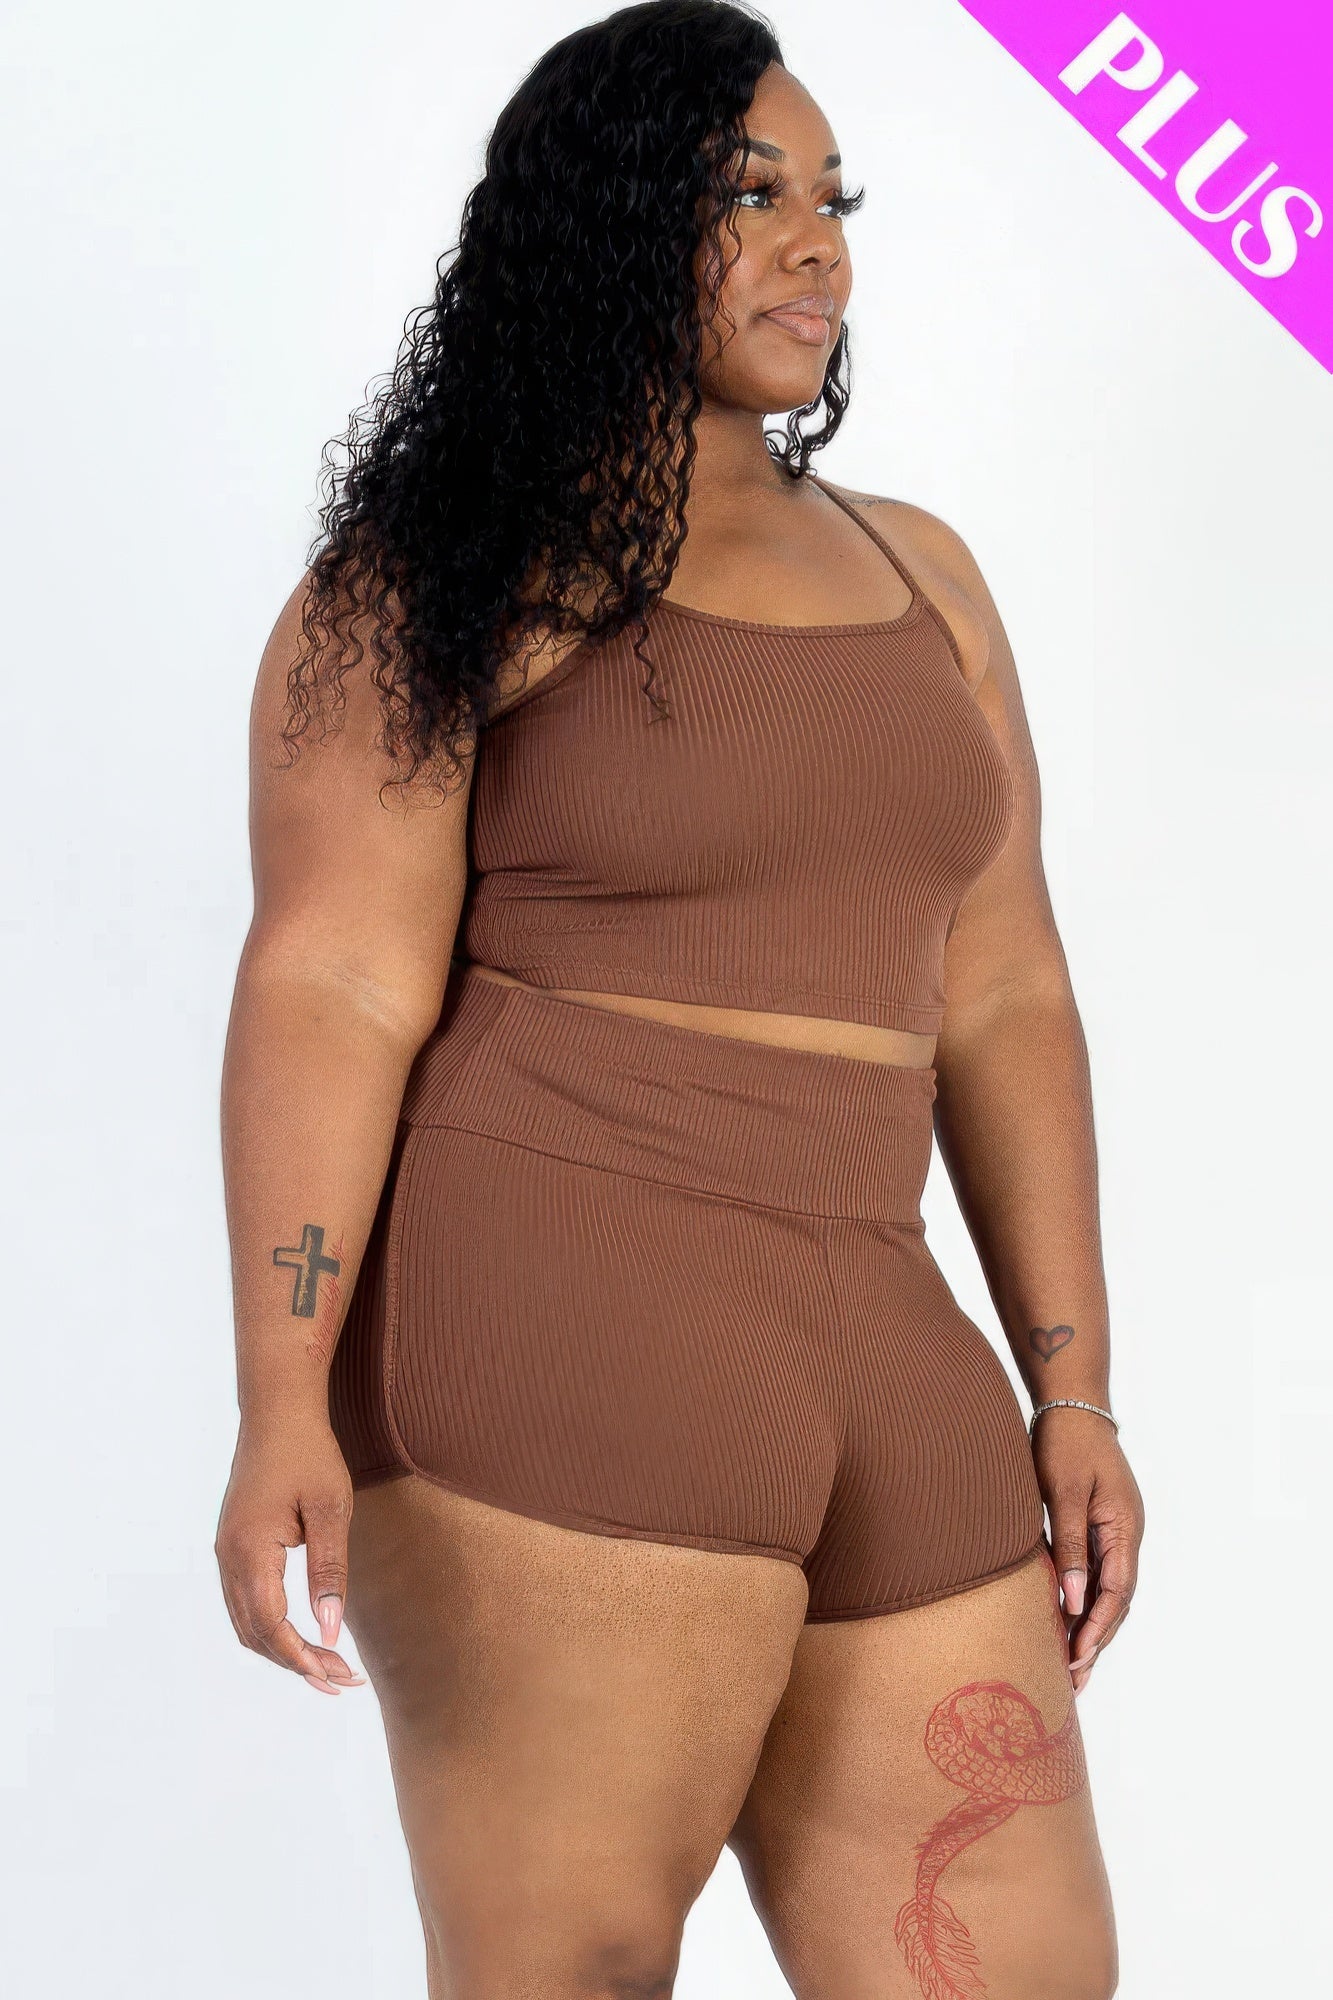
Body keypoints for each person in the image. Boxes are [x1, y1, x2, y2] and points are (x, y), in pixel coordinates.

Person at [215, 4, 1144, 1994]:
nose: (817, 246)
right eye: (749, 196)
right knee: (570, 1970)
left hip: (884, 1320)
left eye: (834, 201)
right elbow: (334, 980)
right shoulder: (445, 573)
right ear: (609, 225)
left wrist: (1070, 1386)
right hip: (565, 1293)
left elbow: (1004, 986)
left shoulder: (926, 576)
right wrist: (279, 1395)